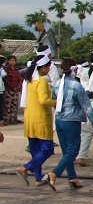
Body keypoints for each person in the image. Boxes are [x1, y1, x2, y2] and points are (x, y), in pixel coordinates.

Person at [47, 58, 93, 189]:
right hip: (72, 121)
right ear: (75, 70)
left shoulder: (57, 84)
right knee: (73, 151)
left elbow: (54, 99)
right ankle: (54, 173)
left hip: (59, 120)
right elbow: (87, 106)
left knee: (67, 152)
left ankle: (72, 177)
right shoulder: (76, 86)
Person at [16, 55, 57, 189]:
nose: (49, 69)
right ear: (43, 67)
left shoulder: (29, 80)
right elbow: (44, 100)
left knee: (36, 150)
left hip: (30, 118)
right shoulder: (41, 81)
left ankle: (38, 178)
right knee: (48, 149)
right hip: (40, 118)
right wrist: (56, 103)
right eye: (48, 67)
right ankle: (26, 168)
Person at [3, 55, 21, 125]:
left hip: (15, 90)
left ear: (15, 61)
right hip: (8, 90)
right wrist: (12, 87)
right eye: (10, 60)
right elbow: (6, 79)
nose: (12, 62)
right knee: (7, 105)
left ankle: (12, 119)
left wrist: (18, 87)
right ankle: (6, 120)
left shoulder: (16, 70)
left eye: (13, 60)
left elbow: (19, 79)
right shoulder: (6, 70)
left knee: (14, 105)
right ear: (8, 61)